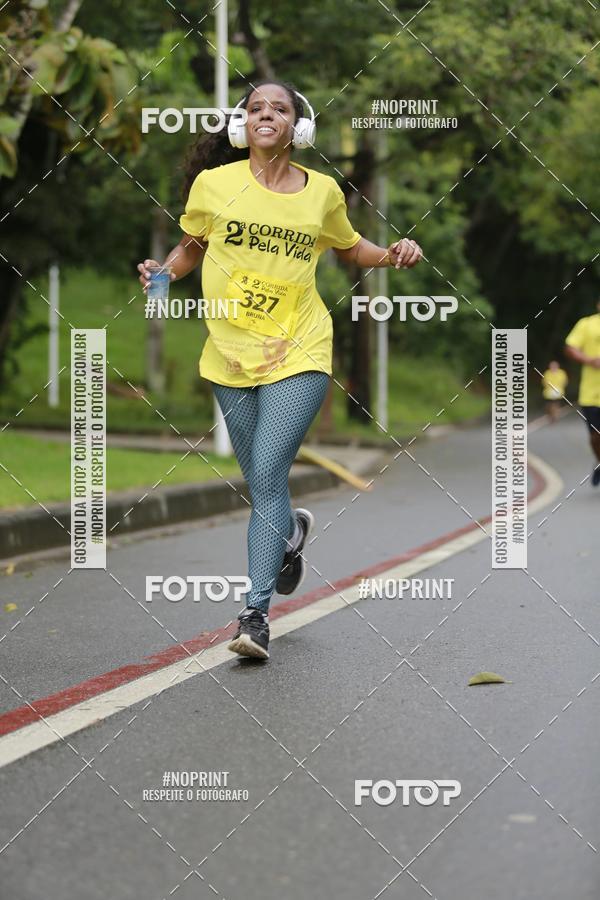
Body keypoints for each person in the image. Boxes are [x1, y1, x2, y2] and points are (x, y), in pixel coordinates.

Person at [137, 80, 423, 660]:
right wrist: (163, 273)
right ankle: (288, 530)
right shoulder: (213, 184)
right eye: (255, 108)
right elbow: (190, 248)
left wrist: (391, 252)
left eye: (280, 108)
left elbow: (349, 248)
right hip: (229, 355)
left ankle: (255, 615)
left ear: (300, 126)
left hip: (302, 348)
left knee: (267, 470)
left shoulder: (322, 192)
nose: (266, 114)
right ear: (242, 126)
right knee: (263, 486)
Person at [564, 300, 600, 486]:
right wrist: (588, 359)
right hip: (592, 393)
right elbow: (570, 347)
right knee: (595, 436)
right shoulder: (587, 324)